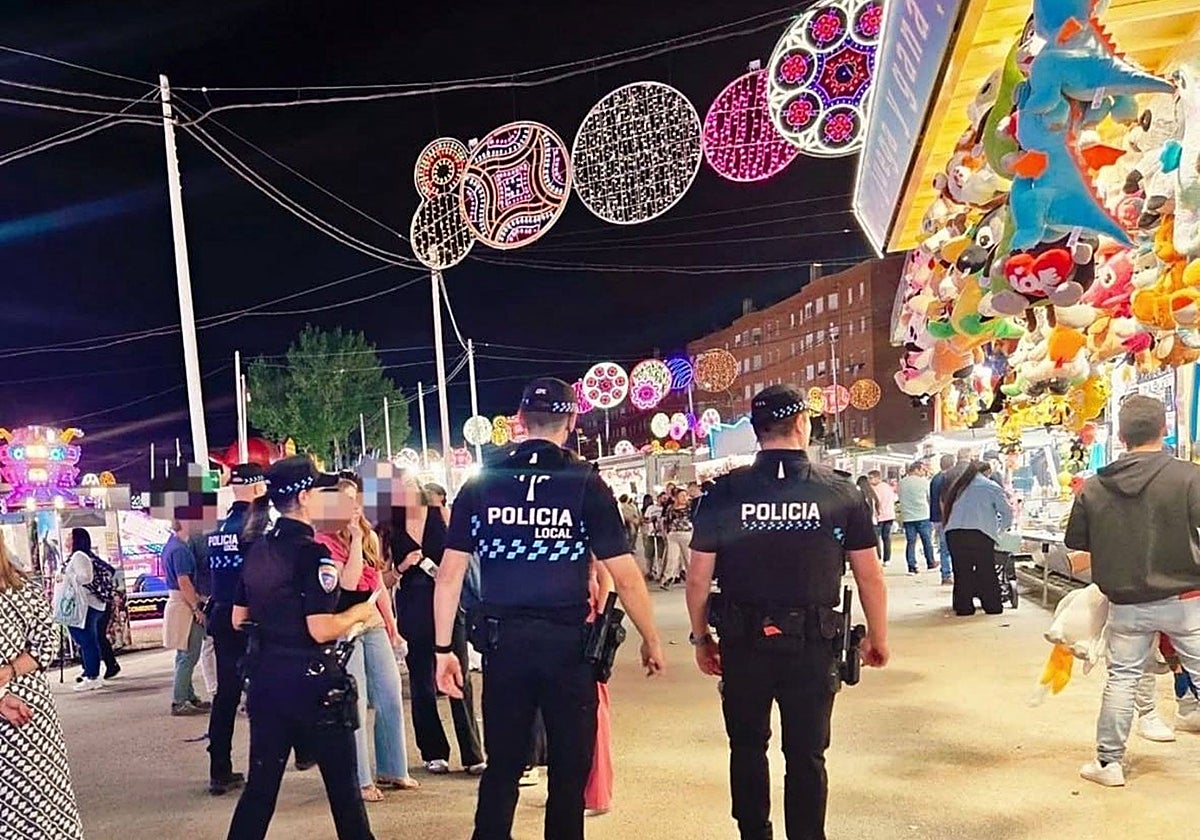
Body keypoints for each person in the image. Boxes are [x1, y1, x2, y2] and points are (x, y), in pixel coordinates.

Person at [433, 377, 665, 840]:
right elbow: (624, 573)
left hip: (504, 646)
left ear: (519, 422)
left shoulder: (483, 482)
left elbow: (449, 574)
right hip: (568, 649)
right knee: (567, 770)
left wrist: (444, 650)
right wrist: (652, 640)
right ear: (573, 422)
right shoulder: (586, 483)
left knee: (502, 767)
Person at [686, 385, 889, 840]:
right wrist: (878, 636)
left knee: (747, 746)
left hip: (742, 643)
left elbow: (698, 577)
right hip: (812, 645)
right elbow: (869, 576)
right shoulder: (839, 491)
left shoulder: (723, 493)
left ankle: (753, 833)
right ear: (802, 424)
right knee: (807, 754)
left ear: (757, 431)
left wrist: (701, 639)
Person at [226, 455, 378, 840]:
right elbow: (321, 628)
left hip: (266, 680)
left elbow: (237, 618)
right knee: (345, 796)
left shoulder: (257, 549)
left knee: (260, 792)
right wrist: (359, 613)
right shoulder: (313, 554)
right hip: (313, 686)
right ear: (307, 497)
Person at [1064, 395, 1200, 786]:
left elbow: (1078, 544)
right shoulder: (1189, 477)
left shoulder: (1093, 488)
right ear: (1165, 429)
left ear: (1120, 436)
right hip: (1185, 599)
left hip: (1126, 603)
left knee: (1122, 680)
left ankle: (1109, 764)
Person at [318, 475, 418, 801]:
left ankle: (393, 768)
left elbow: (378, 586)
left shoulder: (371, 535)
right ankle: (359, 778)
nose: (353, 507)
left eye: (355, 499)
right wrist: (357, 540)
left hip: (372, 621)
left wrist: (393, 628)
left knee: (389, 695)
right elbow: (347, 584)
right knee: (356, 703)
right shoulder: (323, 541)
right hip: (344, 625)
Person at [391, 473, 485, 777]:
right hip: (412, 605)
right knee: (421, 681)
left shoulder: (440, 514)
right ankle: (433, 752)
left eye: (409, 487)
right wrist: (403, 566)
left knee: (459, 675)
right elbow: (385, 578)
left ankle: (472, 753)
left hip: (445, 602)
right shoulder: (390, 527)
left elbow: (461, 556)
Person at [0, 537, 85, 840]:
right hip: (26, 707)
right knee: (34, 803)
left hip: (28, 716)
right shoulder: (23, 587)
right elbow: (45, 646)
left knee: (41, 798)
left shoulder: (23, 588)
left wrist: (7, 673)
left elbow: (47, 645)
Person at [204, 463, 266, 796]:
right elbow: (258, 579)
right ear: (258, 488)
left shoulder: (218, 528)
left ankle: (219, 770)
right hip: (248, 619)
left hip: (220, 615)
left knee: (225, 695)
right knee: (262, 692)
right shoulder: (255, 529)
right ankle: (264, 767)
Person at [942, 461, 1013, 616]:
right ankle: (992, 606)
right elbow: (1007, 512)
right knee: (986, 570)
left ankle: (963, 607)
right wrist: (1001, 531)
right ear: (987, 472)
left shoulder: (958, 487)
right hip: (980, 533)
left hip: (954, 534)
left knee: (961, 571)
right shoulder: (991, 486)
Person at [161, 519, 211, 716]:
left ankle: (188, 695)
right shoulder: (180, 550)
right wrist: (196, 608)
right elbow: (184, 582)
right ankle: (180, 700)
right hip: (184, 604)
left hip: (178, 602)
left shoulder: (172, 545)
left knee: (184, 653)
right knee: (189, 654)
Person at [64, 528, 110, 692]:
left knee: (85, 639)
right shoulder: (79, 556)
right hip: (91, 604)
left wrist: (67, 578)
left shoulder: (78, 556)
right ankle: (91, 673)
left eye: (70, 536)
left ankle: (92, 675)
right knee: (89, 640)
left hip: (86, 604)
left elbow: (86, 577)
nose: (67, 539)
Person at [898, 461, 935, 575]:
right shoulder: (924, 482)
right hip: (923, 515)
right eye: (922, 470)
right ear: (917, 469)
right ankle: (930, 563)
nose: (924, 472)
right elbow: (930, 498)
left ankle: (911, 566)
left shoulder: (902, 483)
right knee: (927, 541)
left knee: (911, 542)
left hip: (908, 516)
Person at [928, 454, 957, 586]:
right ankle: (947, 574)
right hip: (946, 517)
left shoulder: (935, 479)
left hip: (936, 517)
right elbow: (943, 500)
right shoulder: (947, 478)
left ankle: (946, 573)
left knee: (943, 546)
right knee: (948, 547)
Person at [661, 488, 695, 590]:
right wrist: (666, 532)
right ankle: (667, 578)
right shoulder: (670, 508)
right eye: (682, 496)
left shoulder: (690, 508)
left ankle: (692, 579)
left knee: (688, 558)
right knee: (672, 558)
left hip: (686, 533)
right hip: (673, 534)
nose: (684, 498)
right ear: (676, 498)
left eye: (686, 496)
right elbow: (666, 520)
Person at [867, 471, 896, 566]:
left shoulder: (873, 489)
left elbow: (875, 503)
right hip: (889, 515)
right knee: (886, 538)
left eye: (871, 478)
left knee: (877, 538)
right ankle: (887, 559)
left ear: (878, 478)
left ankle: (878, 558)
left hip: (878, 517)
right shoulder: (888, 487)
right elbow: (894, 499)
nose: (870, 480)